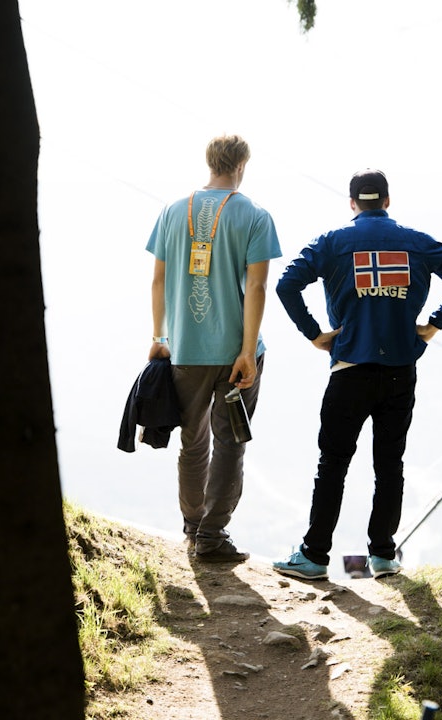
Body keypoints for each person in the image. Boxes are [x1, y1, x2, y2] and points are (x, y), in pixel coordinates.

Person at [272, 169, 442, 580]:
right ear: (387, 200)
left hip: (349, 367)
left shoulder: (332, 242)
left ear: (352, 203)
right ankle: (382, 556)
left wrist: (315, 335)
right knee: (390, 464)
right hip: (401, 369)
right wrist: (433, 325)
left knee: (333, 463)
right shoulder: (417, 242)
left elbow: (286, 284)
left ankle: (314, 556)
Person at [145, 134, 282, 563]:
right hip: (235, 352)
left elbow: (158, 280)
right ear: (241, 164)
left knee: (193, 441)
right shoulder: (255, 215)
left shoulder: (172, 211)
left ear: (210, 163)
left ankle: (191, 526)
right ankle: (212, 536)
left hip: (185, 348)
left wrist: (159, 337)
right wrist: (246, 351)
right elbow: (257, 286)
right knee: (230, 442)